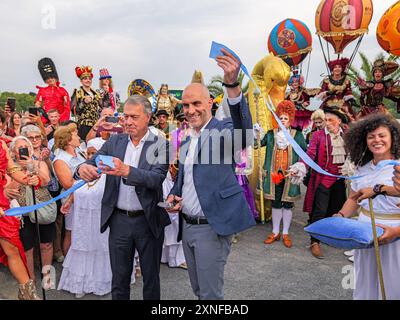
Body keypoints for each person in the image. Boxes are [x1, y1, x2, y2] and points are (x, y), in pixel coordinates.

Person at [166, 48, 255, 300]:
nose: (191, 109)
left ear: (209, 103)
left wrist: (232, 85)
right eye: (186, 105)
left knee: (210, 295)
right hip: (188, 227)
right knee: (198, 291)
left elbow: (243, 130)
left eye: (196, 103)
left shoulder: (223, 129)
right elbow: (183, 180)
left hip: (212, 228)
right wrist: (174, 196)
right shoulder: (186, 140)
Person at [76, 95, 170, 300]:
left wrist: (127, 171)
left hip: (148, 220)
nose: (127, 122)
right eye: (125, 116)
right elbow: (92, 162)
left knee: (151, 279)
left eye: (134, 117)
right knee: (119, 279)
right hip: (119, 221)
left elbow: (156, 178)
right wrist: (83, 168)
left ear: (148, 117)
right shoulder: (115, 142)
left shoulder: (159, 144)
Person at [333, 114, 400, 299]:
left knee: (392, 285)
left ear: (393, 137)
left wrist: (396, 232)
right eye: (371, 137)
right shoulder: (363, 168)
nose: (376, 140)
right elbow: (354, 199)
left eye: (382, 135)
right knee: (365, 282)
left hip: (394, 236)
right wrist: (339, 217)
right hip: (364, 234)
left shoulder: (399, 168)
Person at [290, 107, 350, 259]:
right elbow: (310, 154)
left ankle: (329, 236)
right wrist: (301, 166)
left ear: (339, 121)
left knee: (336, 210)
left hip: (340, 180)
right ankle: (314, 242)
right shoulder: (317, 136)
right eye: (326, 120)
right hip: (322, 180)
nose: (327, 123)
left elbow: (354, 154)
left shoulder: (347, 136)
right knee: (319, 211)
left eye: (331, 120)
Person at [58, 138, 113, 298]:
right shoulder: (84, 173)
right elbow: (77, 190)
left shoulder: (108, 176)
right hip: (82, 222)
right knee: (81, 248)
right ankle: (79, 284)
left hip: (100, 221)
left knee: (99, 248)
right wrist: (68, 202)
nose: (90, 157)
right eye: (88, 153)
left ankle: (99, 282)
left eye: (94, 154)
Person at [259, 101, 307, 248]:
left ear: (290, 119)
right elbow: (257, 144)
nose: (283, 121)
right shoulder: (270, 134)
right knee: (276, 203)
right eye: (280, 118)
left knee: (287, 204)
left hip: (289, 175)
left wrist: (299, 167)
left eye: (286, 118)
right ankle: (275, 232)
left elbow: (304, 153)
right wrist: (256, 134)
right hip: (274, 175)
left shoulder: (297, 135)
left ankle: (285, 232)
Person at [6, 136, 53, 283]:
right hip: (23, 213)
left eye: (25, 147)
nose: (22, 150)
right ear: (13, 152)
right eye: (19, 148)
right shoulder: (9, 169)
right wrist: (19, 171)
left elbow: (46, 181)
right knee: (28, 248)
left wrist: (32, 166)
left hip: (42, 209)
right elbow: (11, 189)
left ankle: (47, 276)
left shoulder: (39, 162)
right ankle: (30, 278)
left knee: (46, 244)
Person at [0, 136, 42, 299]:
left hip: (3, 205)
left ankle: (27, 294)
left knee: (12, 247)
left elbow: (12, 170)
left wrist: (27, 179)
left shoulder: (2, 144)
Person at [53, 123, 86, 256]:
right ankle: (69, 263)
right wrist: (89, 178)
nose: (78, 137)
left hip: (86, 196)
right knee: (71, 231)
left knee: (84, 230)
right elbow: (68, 184)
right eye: (75, 135)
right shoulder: (60, 160)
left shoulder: (79, 152)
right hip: (71, 200)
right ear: (68, 140)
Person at [35, 57, 70, 124]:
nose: (50, 79)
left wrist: (62, 120)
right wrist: (45, 117)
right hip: (46, 122)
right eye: (47, 78)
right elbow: (38, 106)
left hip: (60, 122)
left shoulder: (63, 91)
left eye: (51, 77)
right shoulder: (42, 91)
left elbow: (67, 108)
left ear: (55, 77)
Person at [71, 65, 102, 140]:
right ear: (81, 81)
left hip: (96, 125)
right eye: (85, 79)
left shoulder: (96, 93)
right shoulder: (77, 93)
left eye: (89, 78)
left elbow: (104, 106)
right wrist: (84, 102)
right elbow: (74, 110)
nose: (88, 80)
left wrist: (107, 94)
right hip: (84, 126)